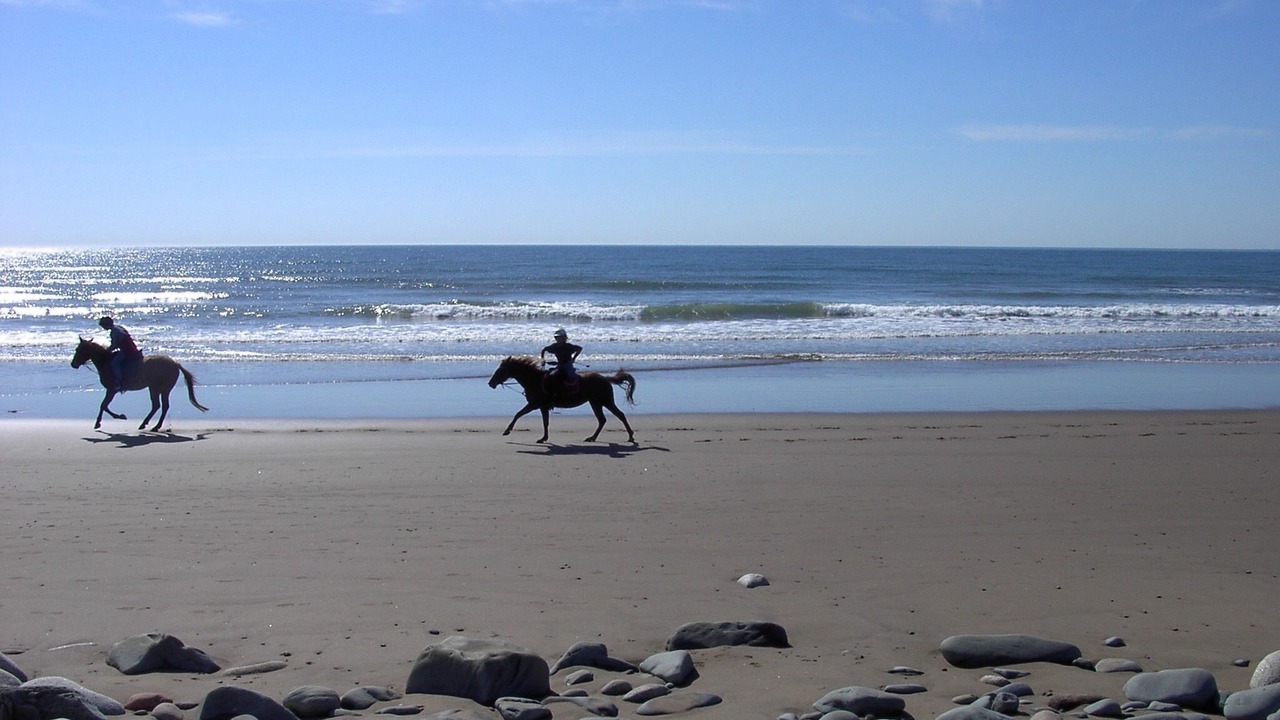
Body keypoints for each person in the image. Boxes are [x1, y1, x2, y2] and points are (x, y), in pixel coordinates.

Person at [99, 316, 142, 391]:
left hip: (127, 350)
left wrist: (107, 351)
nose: (103, 327)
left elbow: (115, 345)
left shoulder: (115, 332)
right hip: (128, 348)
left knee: (114, 363)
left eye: (103, 326)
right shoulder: (118, 328)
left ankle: (119, 381)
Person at [540, 328, 582, 395]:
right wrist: (542, 358)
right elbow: (543, 349)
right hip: (559, 365)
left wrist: (573, 358)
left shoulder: (568, 346)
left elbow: (579, 348)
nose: (558, 339)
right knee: (551, 376)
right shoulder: (554, 346)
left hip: (567, 365)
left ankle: (572, 392)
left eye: (560, 337)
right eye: (557, 338)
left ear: (564, 338)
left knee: (572, 377)